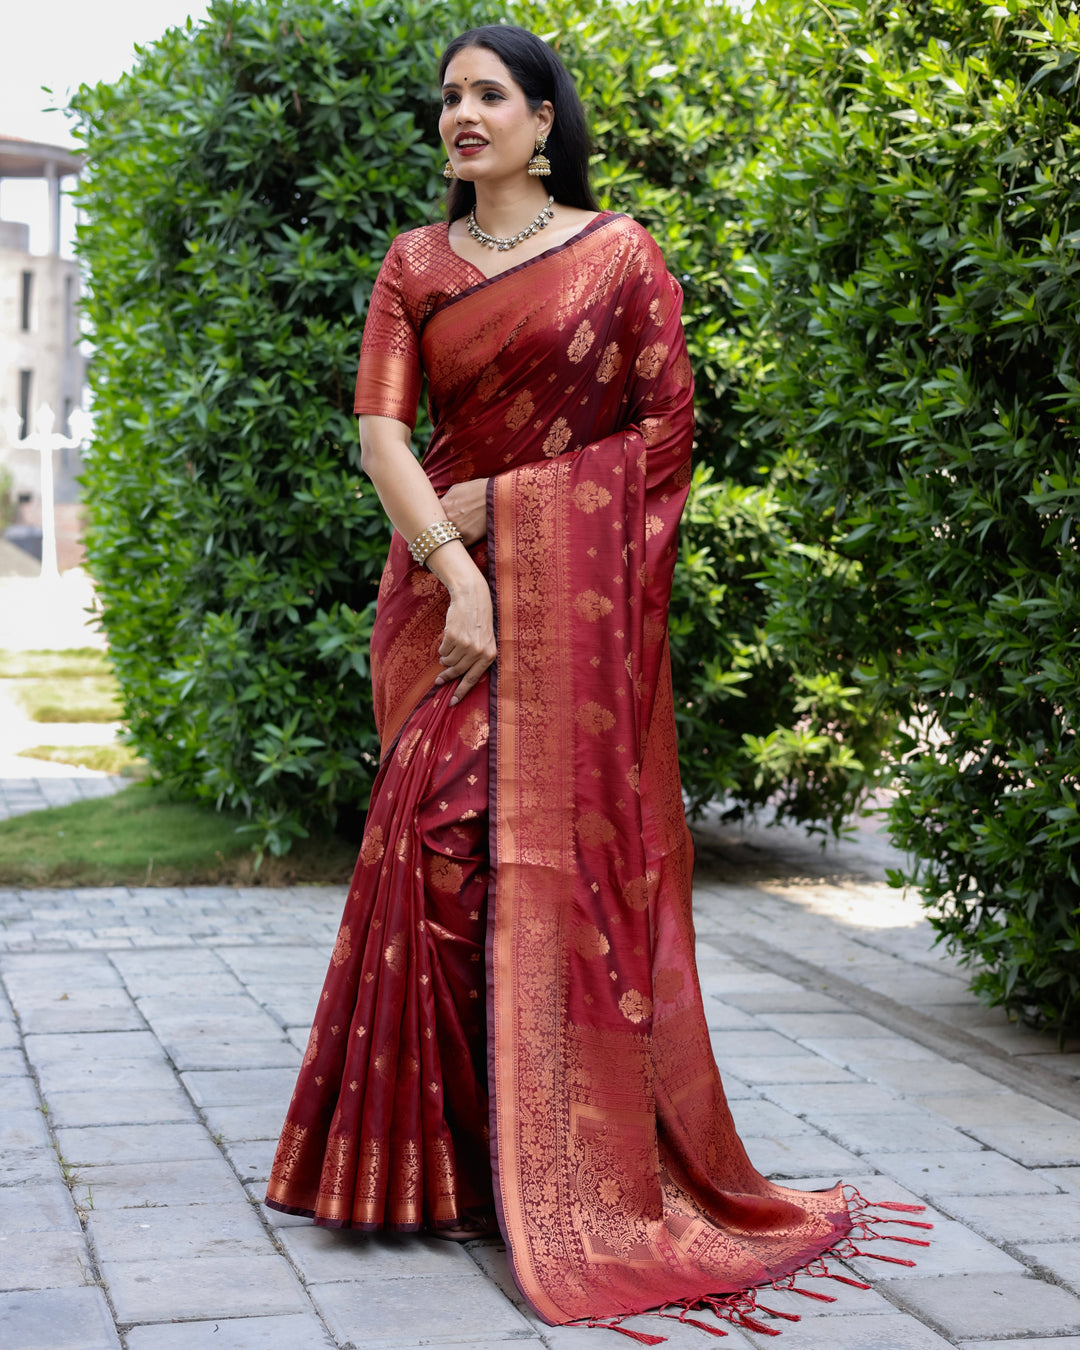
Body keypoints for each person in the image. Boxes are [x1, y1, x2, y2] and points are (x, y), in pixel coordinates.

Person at [265, 24, 925, 1339]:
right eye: (449, 95)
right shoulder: (414, 264)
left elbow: (662, 437)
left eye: (488, 94)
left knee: (515, 854)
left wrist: (508, 507)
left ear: (545, 120)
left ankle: (554, 1152)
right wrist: (459, 568)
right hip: (442, 596)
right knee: (434, 852)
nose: (462, 112)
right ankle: (445, 1162)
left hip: (564, 603)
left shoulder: (619, 254)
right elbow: (380, 434)